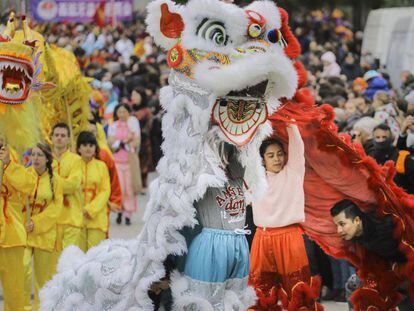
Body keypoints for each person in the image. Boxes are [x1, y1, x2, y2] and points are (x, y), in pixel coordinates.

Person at [249, 124, 320, 310]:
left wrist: (290, 122)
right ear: (262, 159)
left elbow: (297, 145)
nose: (277, 158)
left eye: (280, 154)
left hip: (290, 237)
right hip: (262, 238)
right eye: (271, 155)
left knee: (297, 290)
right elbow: (245, 149)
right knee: (261, 291)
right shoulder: (254, 179)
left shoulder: (294, 172)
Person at [25, 143, 63, 310]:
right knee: (22, 272)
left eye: (40, 155)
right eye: (33, 154)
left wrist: (37, 222)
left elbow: (56, 209)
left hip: (45, 234)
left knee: (43, 281)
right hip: (24, 233)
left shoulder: (56, 181)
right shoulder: (24, 176)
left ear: (47, 158)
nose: (36, 158)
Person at [0, 137, 36, 311]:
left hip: (11, 234)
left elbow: (28, 185)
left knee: (14, 289)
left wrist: (8, 165)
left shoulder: (13, 157)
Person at [51, 123, 83, 251]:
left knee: (68, 261)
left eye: (63, 135)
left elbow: (72, 185)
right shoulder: (46, 159)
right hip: (52, 219)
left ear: (69, 139)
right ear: (52, 138)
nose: (59, 138)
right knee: (54, 264)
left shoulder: (76, 160)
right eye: (56, 135)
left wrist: (52, 181)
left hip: (71, 217)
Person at [77, 131, 111, 251]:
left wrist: (91, 209)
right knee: (78, 257)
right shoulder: (73, 166)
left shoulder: (101, 167)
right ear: (78, 148)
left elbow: (105, 191)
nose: (88, 148)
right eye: (84, 145)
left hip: (96, 218)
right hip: (77, 219)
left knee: (95, 256)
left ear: (95, 148)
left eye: (91, 145)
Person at [108, 104, 140, 226]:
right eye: (120, 111)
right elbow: (111, 142)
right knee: (119, 187)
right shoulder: (113, 126)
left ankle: (128, 214)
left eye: (124, 111)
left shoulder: (133, 125)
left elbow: (136, 142)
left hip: (129, 161)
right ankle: (119, 210)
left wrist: (128, 143)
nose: (122, 114)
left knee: (129, 188)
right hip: (117, 161)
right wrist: (123, 141)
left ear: (128, 113)